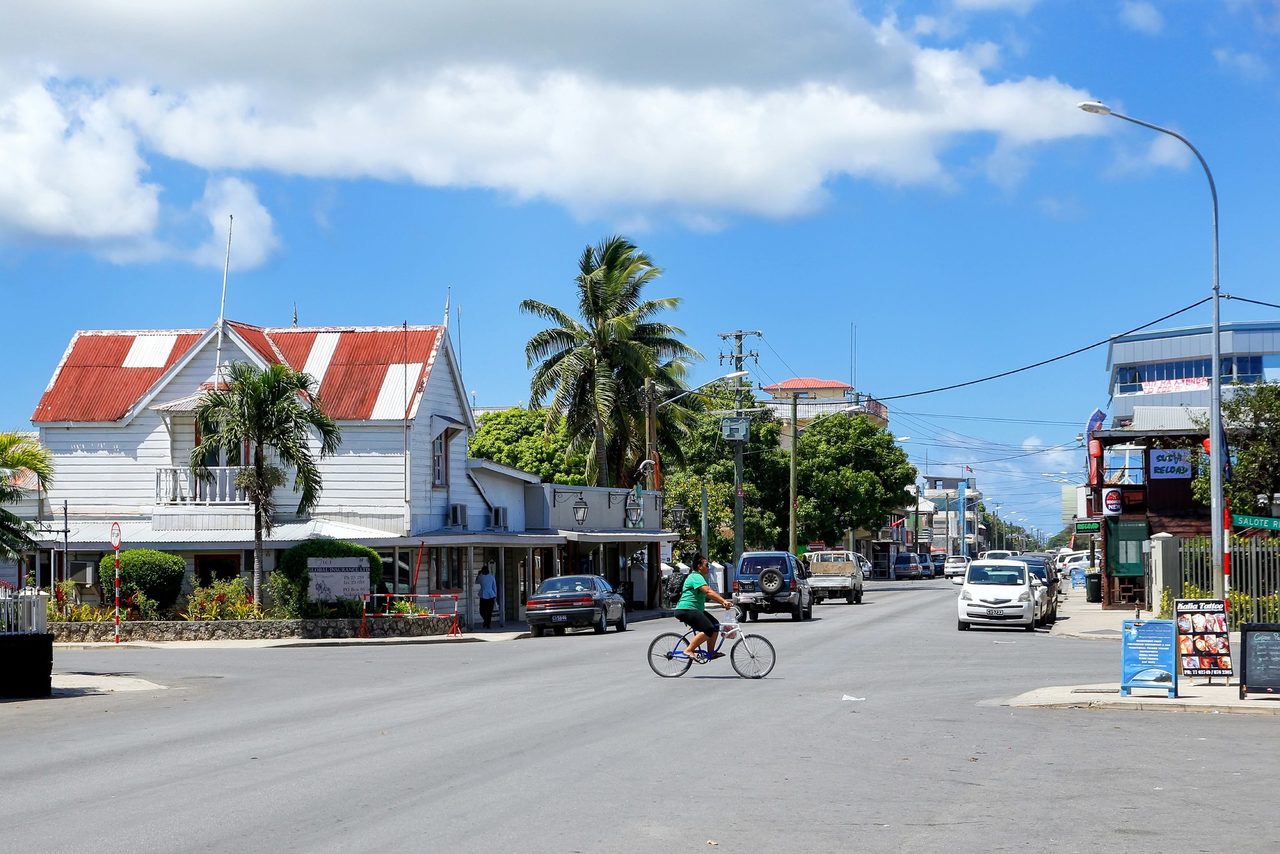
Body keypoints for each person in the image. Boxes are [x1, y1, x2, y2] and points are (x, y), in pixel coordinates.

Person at [674, 553, 735, 662]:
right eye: (706, 565)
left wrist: (723, 603)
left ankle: (710, 653)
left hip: (696, 610)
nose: (708, 567)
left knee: (715, 625)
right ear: (699, 566)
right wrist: (723, 601)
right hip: (686, 609)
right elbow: (708, 591)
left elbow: (708, 594)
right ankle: (689, 650)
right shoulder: (695, 576)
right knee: (708, 629)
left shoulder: (700, 578)